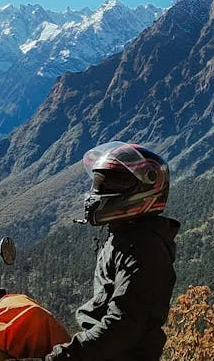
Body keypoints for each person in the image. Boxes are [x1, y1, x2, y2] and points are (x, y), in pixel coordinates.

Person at [45, 141, 181, 361]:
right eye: (99, 184)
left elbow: (121, 327)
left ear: (143, 190)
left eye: (110, 186)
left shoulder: (143, 250)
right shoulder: (124, 234)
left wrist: (62, 356)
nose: (98, 193)